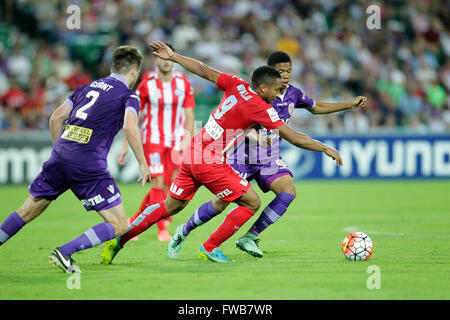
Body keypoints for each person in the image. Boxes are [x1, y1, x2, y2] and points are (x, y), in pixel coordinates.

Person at [101, 41, 342, 264]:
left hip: (194, 151)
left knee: (170, 206)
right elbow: (294, 137)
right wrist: (325, 147)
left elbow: (204, 70)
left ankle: (120, 240)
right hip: (209, 160)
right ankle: (210, 246)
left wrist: (174, 57)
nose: (279, 95)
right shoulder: (260, 107)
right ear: (263, 87)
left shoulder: (236, 84)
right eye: (276, 90)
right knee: (251, 202)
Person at [168, 51, 367, 259]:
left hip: (268, 159)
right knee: (221, 203)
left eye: (289, 71)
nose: (286, 76)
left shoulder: (293, 94)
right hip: (241, 156)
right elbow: (239, 121)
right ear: (271, 73)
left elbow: (316, 107)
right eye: (281, 71)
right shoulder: (257, 93)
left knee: (287, 190)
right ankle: (185, 230)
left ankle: (250, 237)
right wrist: (258, 137)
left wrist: (348, 104)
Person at [0, 46, 150, 273]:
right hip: (88, 164)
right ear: (134, 72)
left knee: (27, 211)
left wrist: (59, 150)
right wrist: (142, 162)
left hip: (60, 156)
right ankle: (65, 252)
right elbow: (130, 126)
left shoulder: (85, 87)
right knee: (119, 224)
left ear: (113, 67)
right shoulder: (129, 95)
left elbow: (56, 118)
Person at [117, 43, 195, 242]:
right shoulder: (147, 83)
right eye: (160, 58)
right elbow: (135, 116)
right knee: (158, 183)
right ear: (155, 60)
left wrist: (189, 142)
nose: (165, 61)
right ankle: (162, 230)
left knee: (169, 187)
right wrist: (126, 146)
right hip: (153, 138)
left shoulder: (182, 82)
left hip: (176, 140)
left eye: (167, 57)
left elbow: (189, 115)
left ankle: (133, 221)